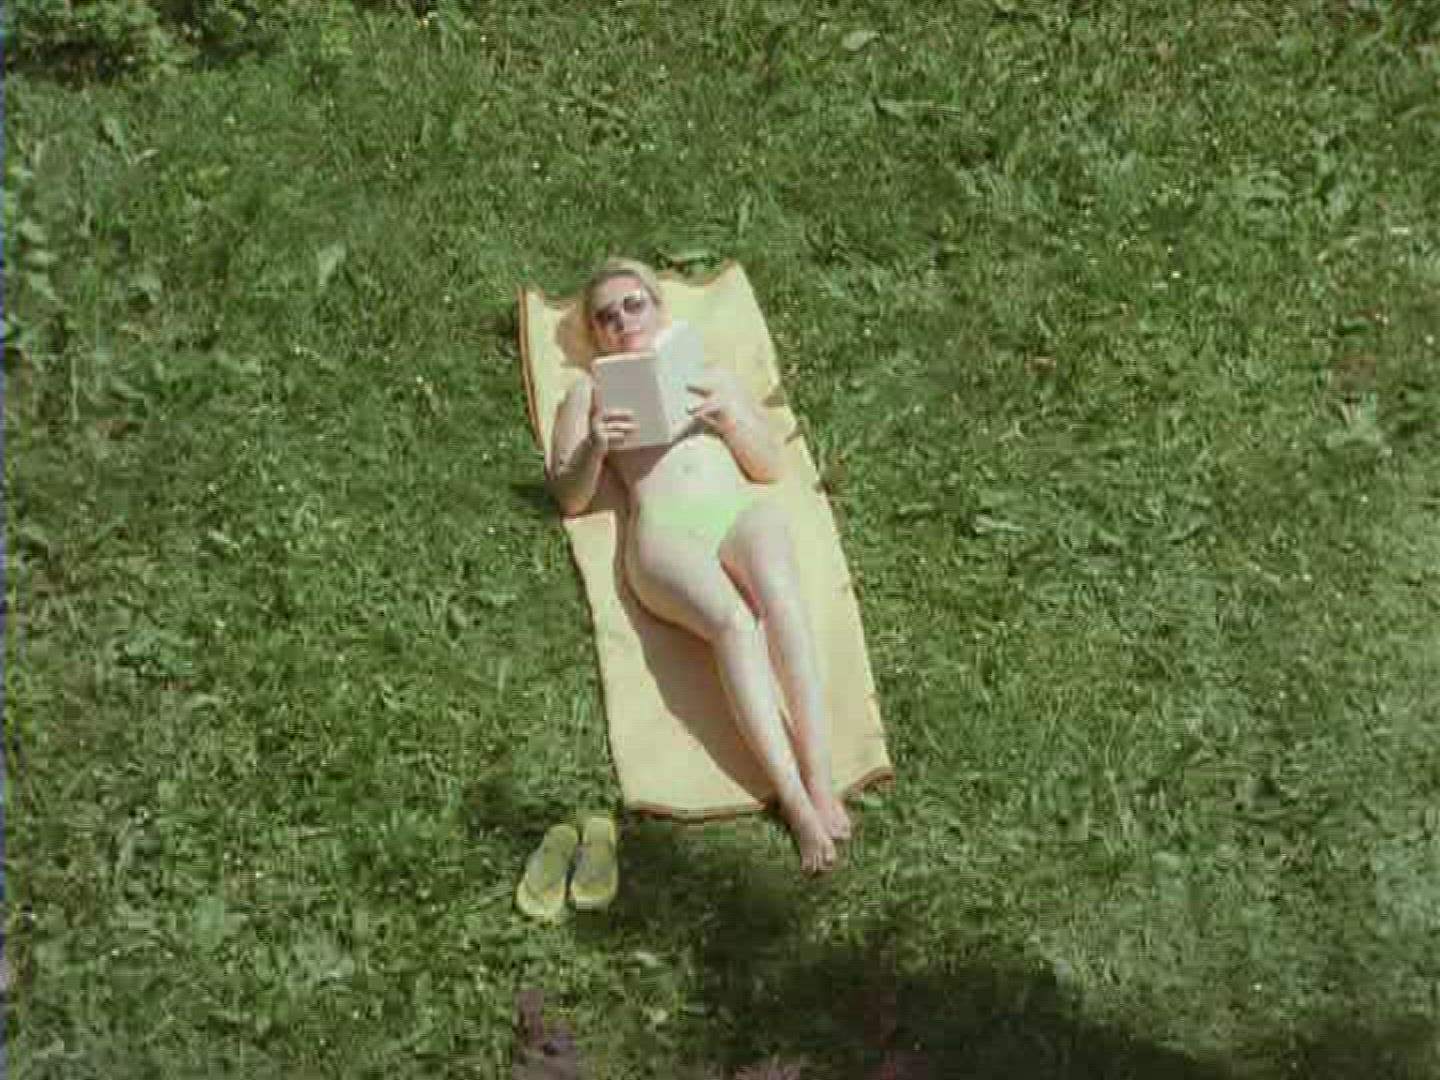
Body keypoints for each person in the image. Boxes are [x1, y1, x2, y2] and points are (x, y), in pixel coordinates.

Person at [547, 258, 849, 872]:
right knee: (733, 624)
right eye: (606, 317)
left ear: (659, 308)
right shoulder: (588, 393)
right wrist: (597, 445)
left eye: (634, 304)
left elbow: (769, 466)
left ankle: (820, 777)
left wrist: (730, 417)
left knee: (780, 595)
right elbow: (569, 498)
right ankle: (794, 801)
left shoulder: (709, 373)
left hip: (732, 509)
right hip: (664, 528)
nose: (623, 321)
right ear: (596, 336)